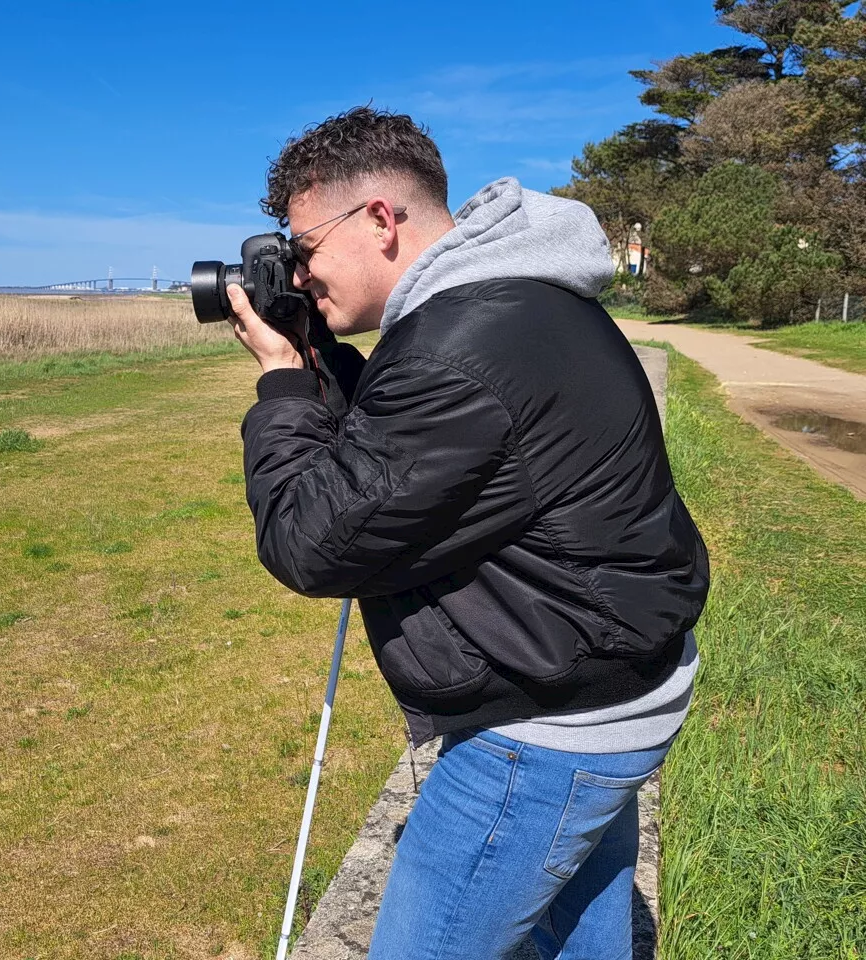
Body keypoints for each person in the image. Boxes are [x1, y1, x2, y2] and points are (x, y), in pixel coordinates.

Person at [225, 106, 709, 960]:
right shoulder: (511, 304)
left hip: (545, 731)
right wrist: (319, 355)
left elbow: (312, 539)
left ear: (379, 219)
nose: (297, 276)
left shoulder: (460, 350)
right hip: (607, 684)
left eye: (303, 251)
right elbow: (409, 456)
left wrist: (280, 384)